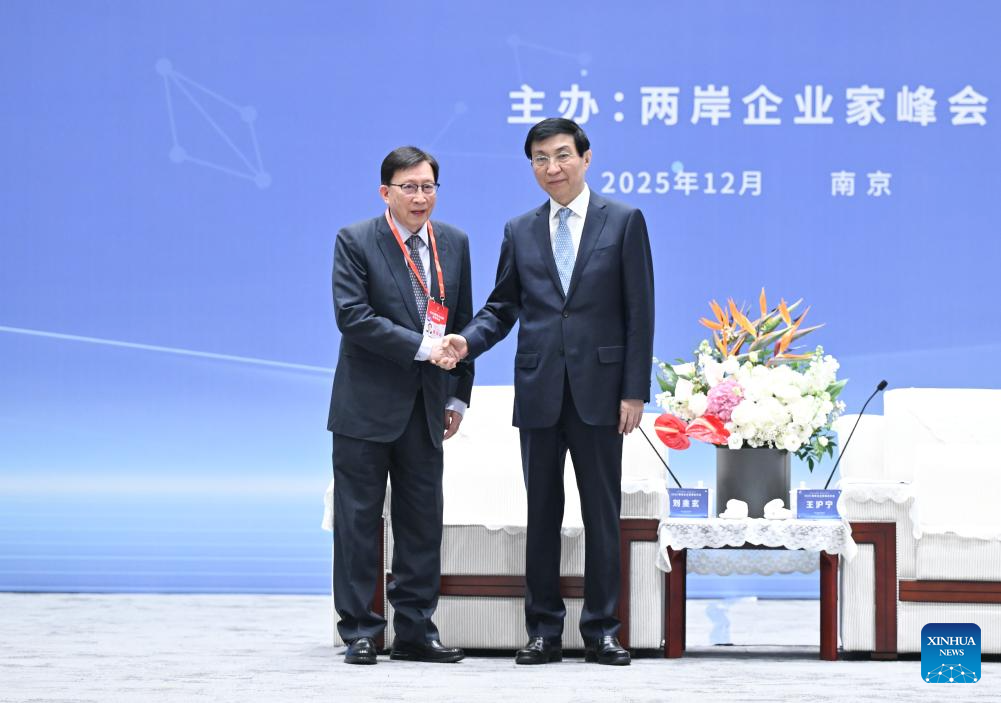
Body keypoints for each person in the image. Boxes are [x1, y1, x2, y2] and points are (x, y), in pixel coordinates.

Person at [438, 118, 655, 666]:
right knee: (542, 513)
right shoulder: (520, 229)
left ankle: (602, 630)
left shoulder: (623, 221)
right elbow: (502, 307)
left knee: (601, 513)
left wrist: (634, 392)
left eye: (562, 155)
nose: (552, 167)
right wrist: (467, 341)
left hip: (601, 392)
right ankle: (543, 631)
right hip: (539, 391)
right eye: (540, 158)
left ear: (586, 157)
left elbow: (640, 312)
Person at [328, 146, 473, 665]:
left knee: (421, 524)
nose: (419, 197)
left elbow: (461, 324)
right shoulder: (355, 240)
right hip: (365, 407)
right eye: (408, 187)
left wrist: (457, 395)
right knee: (358, 523)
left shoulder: (453, 243)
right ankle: (361, 631)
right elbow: (353, 316)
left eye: (428, 186)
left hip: (427, 406)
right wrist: (423, 347)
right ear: (385, 192)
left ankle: (415, 631)